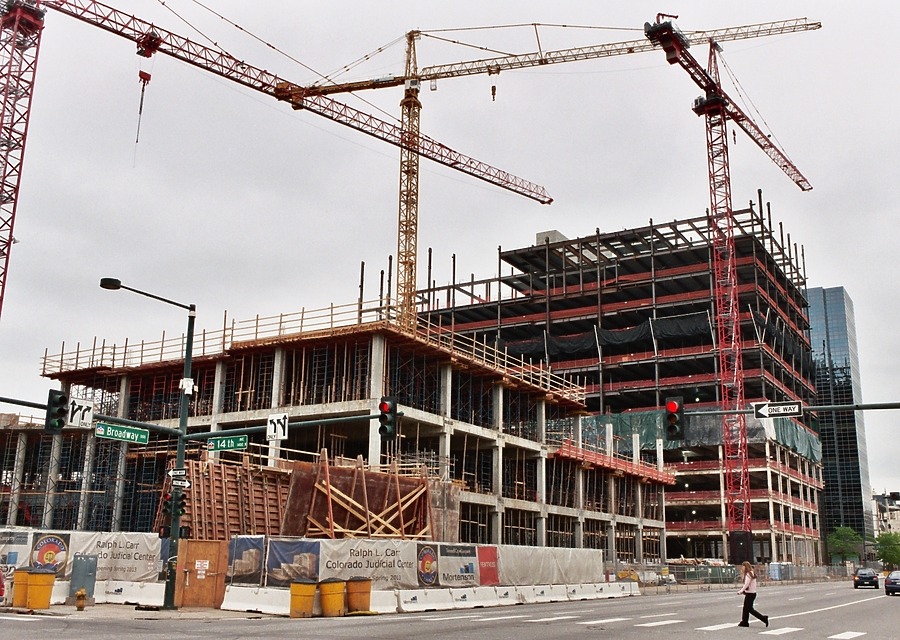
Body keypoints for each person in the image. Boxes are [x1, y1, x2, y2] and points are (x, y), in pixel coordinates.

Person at [737, 560, 769, 627]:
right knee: (746, 608)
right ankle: (745, 622)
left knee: (750, 609)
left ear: (746, 567)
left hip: (750, 594)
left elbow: (746, 584)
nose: (742, 568)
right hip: (751, 593)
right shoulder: (751, 573)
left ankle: (763, 618)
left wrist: (741, 591)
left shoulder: (748, 574)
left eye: (743, 567)